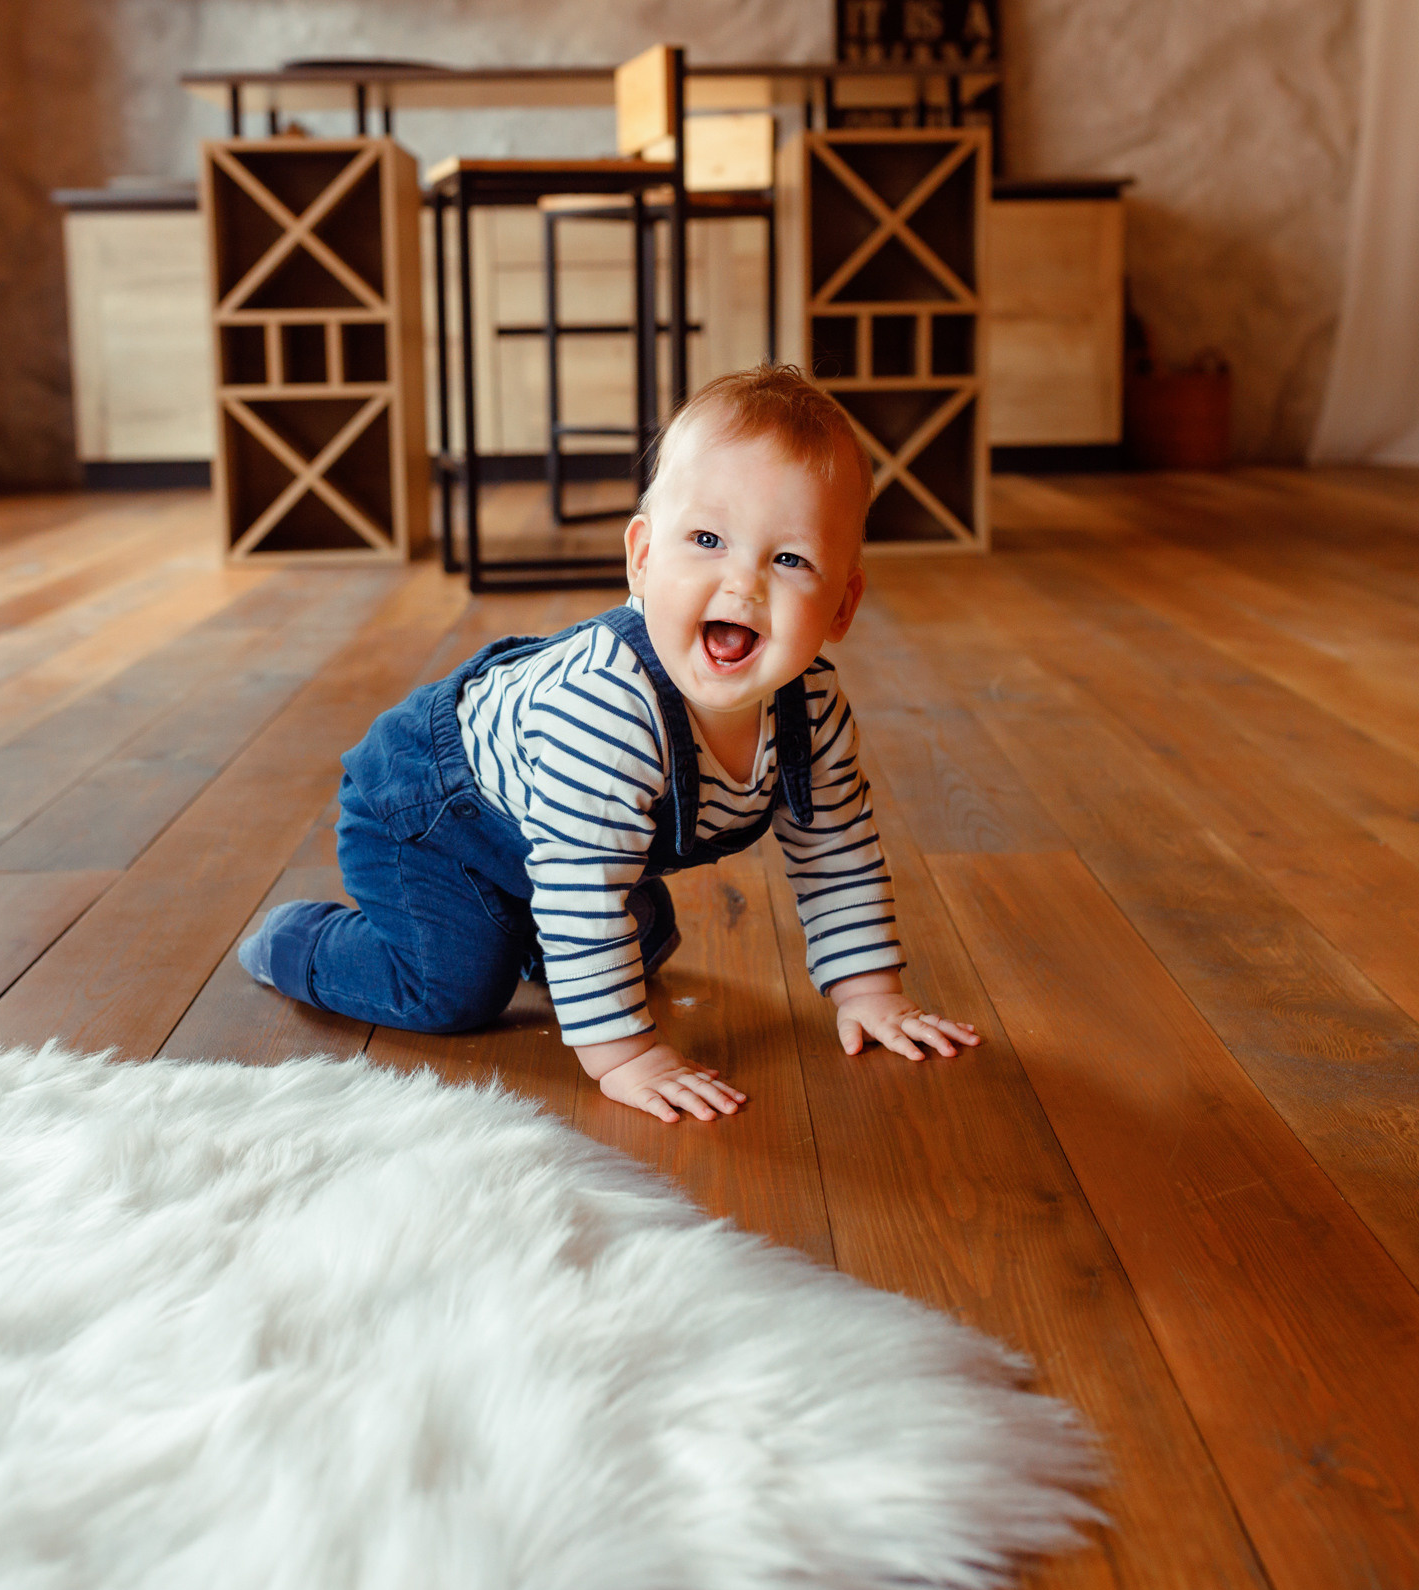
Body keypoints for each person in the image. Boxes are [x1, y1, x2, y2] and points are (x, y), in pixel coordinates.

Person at [239, 365, 981, 1122]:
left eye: (789, 559)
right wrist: (624, 1052)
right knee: (454, 988)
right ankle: (293, 942)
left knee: (642, 935)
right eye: (707, 540)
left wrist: (871, 993)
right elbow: (583, 882)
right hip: (427, 813)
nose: (744, 585)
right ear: (642, 558)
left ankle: (528, 929)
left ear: (842, 605)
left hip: (550, 832)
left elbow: (838, 850)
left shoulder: (813, 710)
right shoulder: (608, 710)